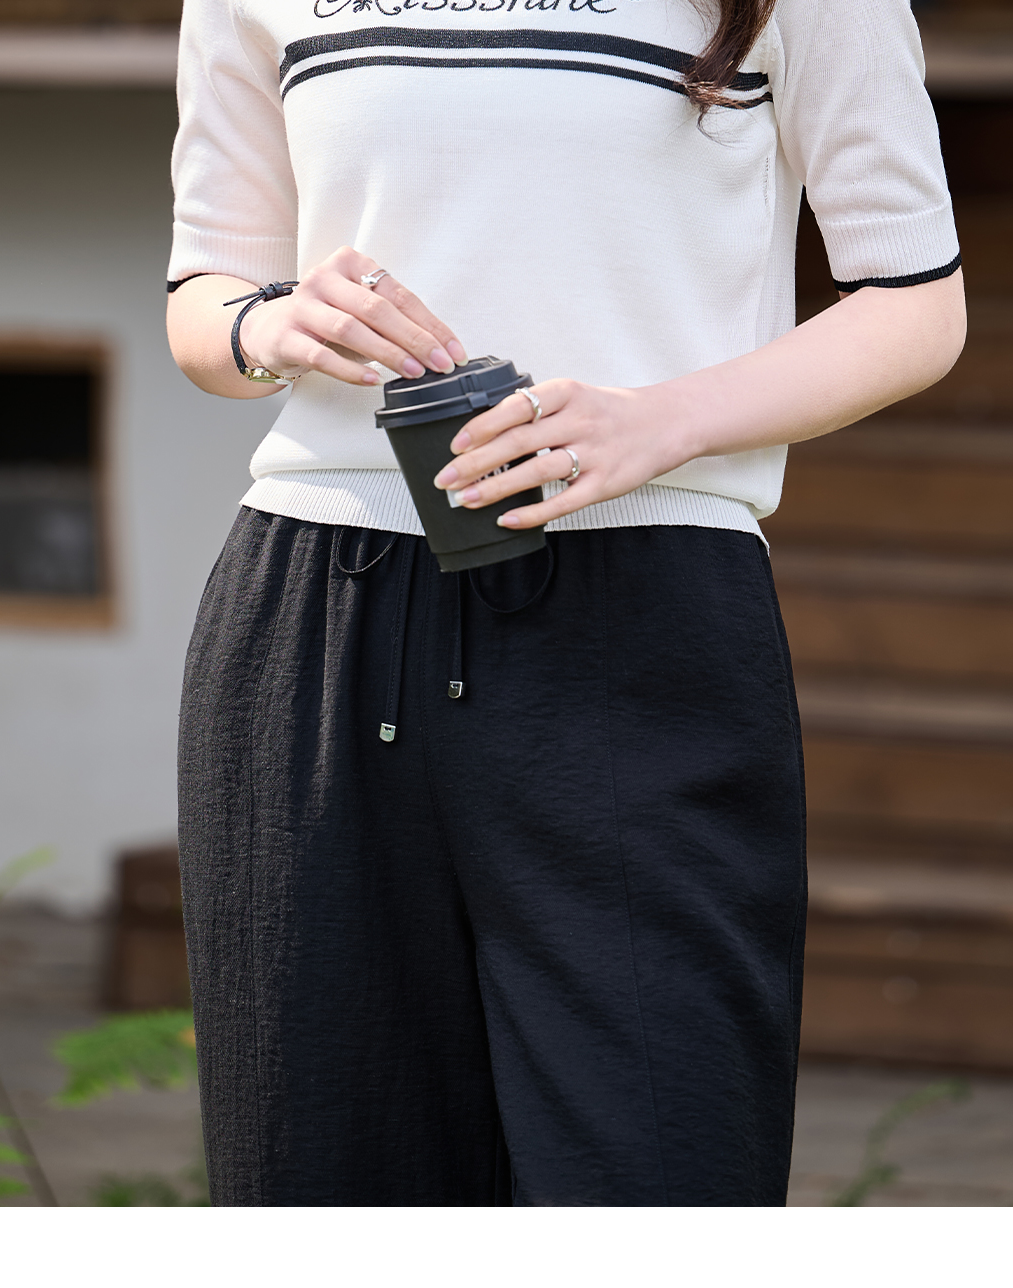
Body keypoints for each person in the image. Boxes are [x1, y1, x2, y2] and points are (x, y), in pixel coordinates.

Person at [166, 0, 965, 1206]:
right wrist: (271, 322)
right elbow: (203, 297)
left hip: (643, 619)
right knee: (318, 1178)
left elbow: (917, 304)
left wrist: (660, 421)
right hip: (319, 619)